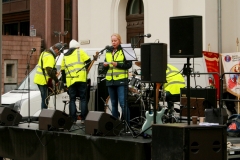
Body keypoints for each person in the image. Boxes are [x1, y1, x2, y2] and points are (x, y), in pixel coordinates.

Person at [103, 33, 132, 123]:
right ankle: (115, 124)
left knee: (123, 104)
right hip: (110, 81)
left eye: (115, 40)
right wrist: (105, 65)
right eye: (112, 41)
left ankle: (128, 125)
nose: (113, 42)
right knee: (113, 104)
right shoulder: (108, 51)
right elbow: (106, 65)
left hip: (121, 81)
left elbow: (129, 65)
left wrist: (117, 64)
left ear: (119, 40)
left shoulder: (125, 50)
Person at [61, 39, 91, 123]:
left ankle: (73, 119)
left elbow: (63, 71)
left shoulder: (65, 55)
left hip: (70, 80)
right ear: (77, 47)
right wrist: (84, 70)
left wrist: (64, 83)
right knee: (83, 99)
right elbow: (88, 61)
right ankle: (83, 119)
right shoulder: (80, 52)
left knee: (72, 99)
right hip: (81, 78)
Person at [34, 43, 62, 109]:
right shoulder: (49, 56)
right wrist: (56, 80)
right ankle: (43, 116)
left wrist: (54, 71)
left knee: (44, 99)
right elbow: (49, 70)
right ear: (56, 50)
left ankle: (43, 116)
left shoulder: (44, 53)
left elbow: (47, 67)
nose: (59, 54)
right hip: (43, 81)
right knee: (45, 100)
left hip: (40, 80)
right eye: (59, 52)